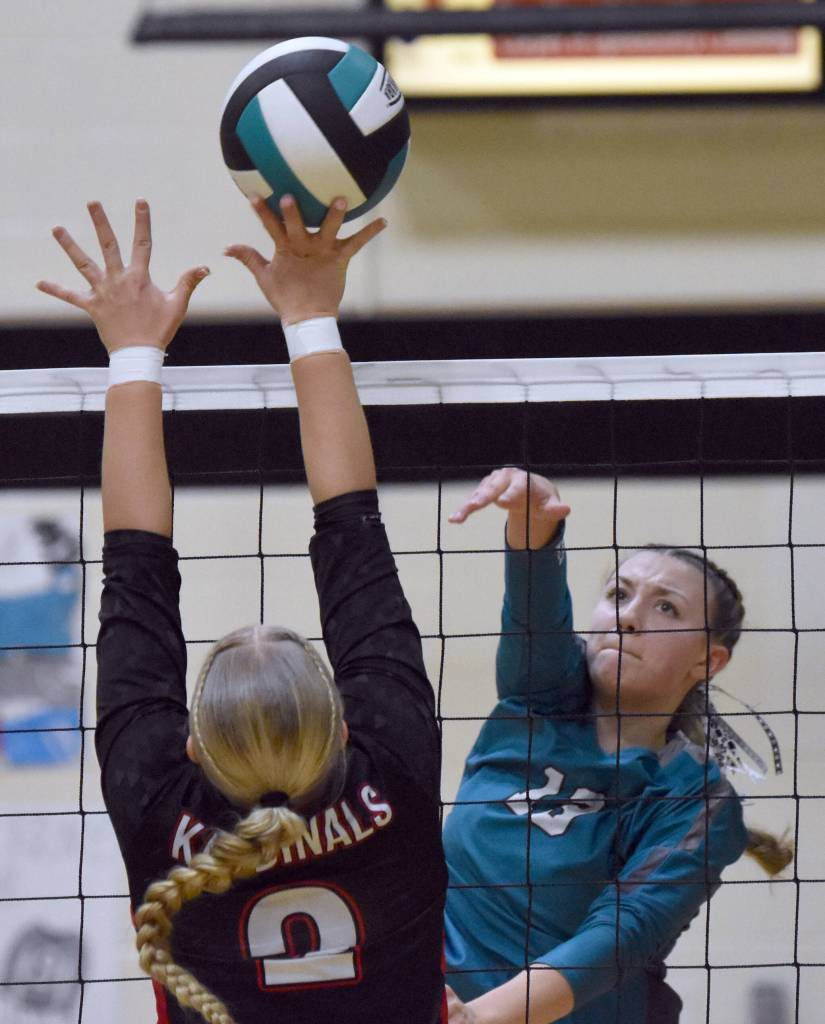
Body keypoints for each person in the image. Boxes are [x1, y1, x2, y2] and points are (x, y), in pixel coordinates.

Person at [36, 196, 447, 1024]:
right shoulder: (153, 785)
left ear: (195, 745)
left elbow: (348, 526)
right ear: (339, 731)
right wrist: (303, 318)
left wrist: (141, 352)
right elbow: (139, 564)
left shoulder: (168, 804)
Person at [442, 467, 792, 1024]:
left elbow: (618, 935)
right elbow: (534, 611)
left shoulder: (697, 799)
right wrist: (532, 523)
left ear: (708, 661)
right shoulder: (536, 701)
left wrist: (476, 1019)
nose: (628, 616)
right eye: (619, 594)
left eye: (666, 607)